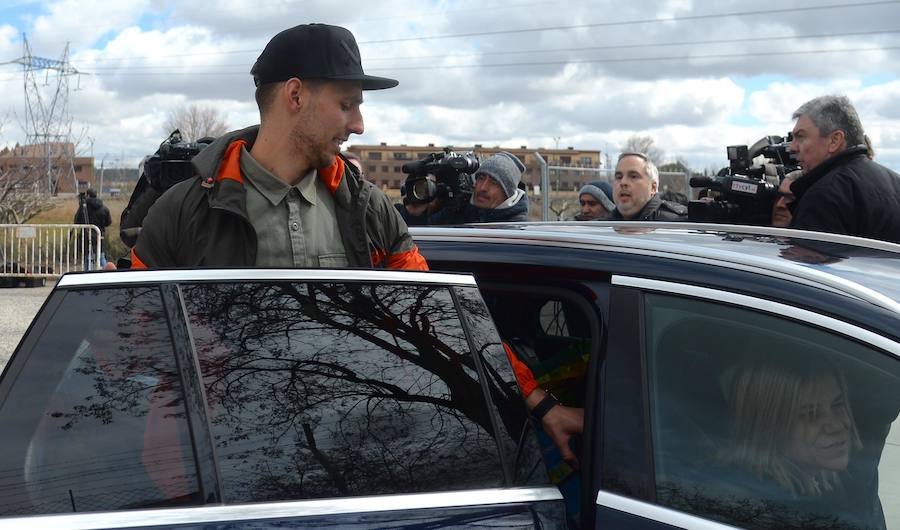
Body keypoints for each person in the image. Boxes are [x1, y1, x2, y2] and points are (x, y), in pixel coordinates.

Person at [132, 24, 427, 270]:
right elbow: (140, 330)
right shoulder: (181, 213)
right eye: (346, 105)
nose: (359, 125)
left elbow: (420, 318)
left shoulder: (370, 209)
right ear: (296, 95)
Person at [788, 95, 900, 243]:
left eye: (800, 137)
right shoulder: (895, 182)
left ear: (834, 140)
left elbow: (807, 264)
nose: (792, 147)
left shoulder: (824, 196)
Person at [401, 151, 530, 225]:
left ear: (508, 192)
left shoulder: (516, 228)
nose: (483, 188)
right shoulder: (460, 211)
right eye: (481, 178)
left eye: (494, 182)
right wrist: (414, 214)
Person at [608, 153, 687, 221]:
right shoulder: (601, 227)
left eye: (633, 176)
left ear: (653, 188)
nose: (623, 182)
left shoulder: (675, 224)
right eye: (619, 177)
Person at [73, 188, 112, 270]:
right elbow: (109, 222)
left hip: (86, 235)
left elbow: (77, 220)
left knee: (88, 257)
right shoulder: (104, 208)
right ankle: (106, 272)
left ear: (88, 195)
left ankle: (88, 274)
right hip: (99, 235)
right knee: (101, 256)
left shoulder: (84, 208)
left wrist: (80, 206)